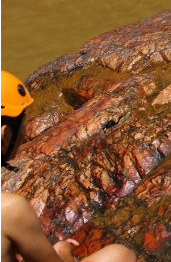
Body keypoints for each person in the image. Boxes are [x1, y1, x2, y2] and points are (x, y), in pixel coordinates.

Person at [1, 70, 136, 262]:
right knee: (120, 255)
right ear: (4, 136)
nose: (24, 134)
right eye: (23, 124)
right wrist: (62, 251)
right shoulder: (8, 208)